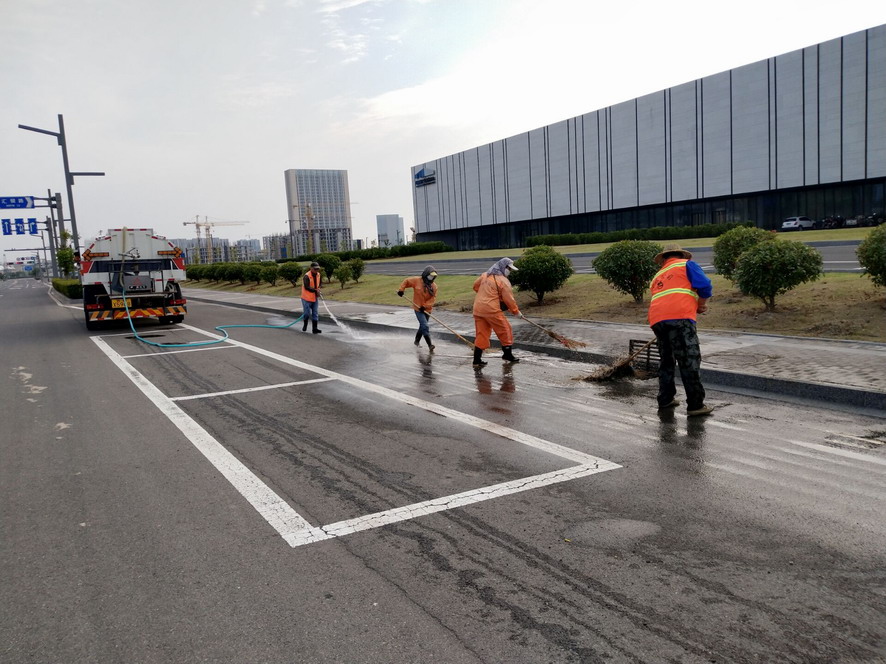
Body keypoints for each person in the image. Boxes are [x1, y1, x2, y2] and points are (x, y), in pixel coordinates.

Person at [648, 243, 714, 416]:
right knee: (689, 359)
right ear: (681, 255)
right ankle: (695, 405)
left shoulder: (658, 275)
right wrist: (701, 305)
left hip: (657, 320)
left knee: (666, 360)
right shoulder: (687, 265)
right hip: (680, 318)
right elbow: (705, 286)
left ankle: (665, 399)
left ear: (664, 259)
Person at [471, 257, 523, 367]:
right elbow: (509, 299)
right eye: (509, 269)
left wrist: (486, 294)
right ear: (503, 267)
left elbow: (475, 286)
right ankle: (507, 354)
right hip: (491, 310)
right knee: (505, 329)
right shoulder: (503, 281)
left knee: (482, 334)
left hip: (478, 309)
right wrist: (516, 312)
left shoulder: (485, 275)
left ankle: (476, 360)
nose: (510, 271)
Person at [397, 266, 438, 351]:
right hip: (418, 309)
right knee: (425, 325)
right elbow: (406, 281)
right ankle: (430, 345)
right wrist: (401, 290)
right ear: (425, 274)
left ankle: (416, 341)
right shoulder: (417, 280)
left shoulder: (434, 286)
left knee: (422, 326)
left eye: (433, 277)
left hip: (427, 309)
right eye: (430, 276)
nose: (431, 278)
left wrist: (425, 306)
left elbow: (432, 299)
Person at [301, 262, 323, 334]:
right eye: (315, 269)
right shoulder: (306, 276)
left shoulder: (318, 275)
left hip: (314, 297)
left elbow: (320, 283)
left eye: (317, 269)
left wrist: (319, 288)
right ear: (311, 268)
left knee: (315, 313)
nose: (316, 270)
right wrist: (315, 290)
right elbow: (307, 287)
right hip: (306, 298)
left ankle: (315, 329)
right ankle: (305, 325)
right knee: (307, 313)